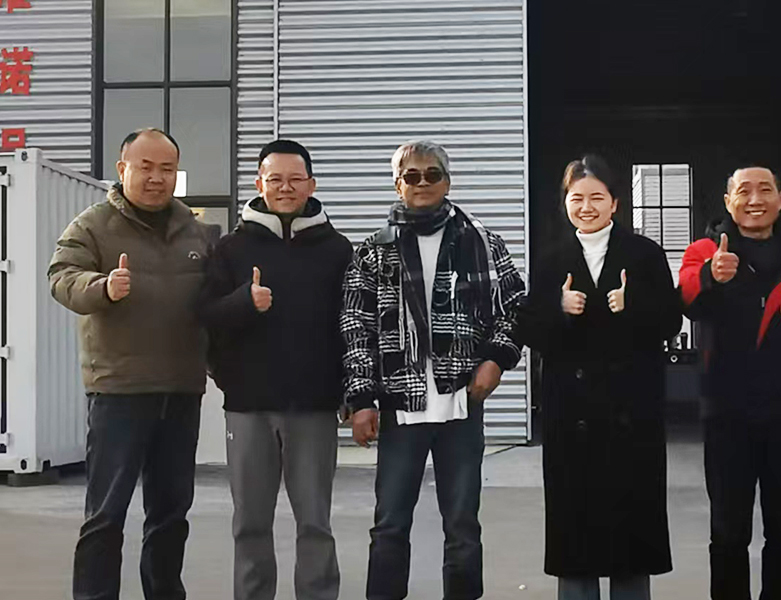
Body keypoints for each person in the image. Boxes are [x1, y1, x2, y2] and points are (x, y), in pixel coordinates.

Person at [341, 140, 525, 600]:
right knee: (389, 524)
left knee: (462, 525)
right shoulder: (374, 251)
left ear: (447, 181)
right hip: (400, 408)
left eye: (432, 174)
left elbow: (515, 308)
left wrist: (496, 359)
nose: (422, 183)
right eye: (412, 175)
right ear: (397, 184)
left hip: (461, 404)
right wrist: (361, 400)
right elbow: (356, 326)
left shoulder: (482, 242)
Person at [48, 128, 214, 600]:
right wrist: (102, 287)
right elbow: (61, 276)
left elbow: (216, 301)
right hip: (119, 391)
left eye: (167, 169)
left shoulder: (196, 230)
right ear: (122, 169)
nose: (156, 177)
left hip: (180, 390)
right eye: (146, 167)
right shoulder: (93, 225)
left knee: (171, 514)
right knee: (106, 514)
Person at [516, 154, 681, 600]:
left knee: (631, 533)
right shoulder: (552, 259)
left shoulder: (645, 254)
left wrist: (634, 306)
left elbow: (671, 321)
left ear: (615, 203)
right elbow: (527, 330)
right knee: (576, 532)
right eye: (577, 198)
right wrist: (558, 309)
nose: (586, 207)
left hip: (632, 414)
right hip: (572, 416)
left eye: (596, 197)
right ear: (565, 203)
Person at [200, 139, 350, 600]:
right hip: (249, 408)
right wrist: (243, 303)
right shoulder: (230, 248)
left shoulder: (337, 249)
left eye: (295, 179)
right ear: (259, 183)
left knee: (315, 522)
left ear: (312, 184)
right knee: (250, 522)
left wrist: (350, 392)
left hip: (315, 407)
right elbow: (206, 316)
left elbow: (352, 327)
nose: (285, 188)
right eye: (275, 179)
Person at [678, 166, 781, 600]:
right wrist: (711, 276)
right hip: (726, 414)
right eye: (743, 191)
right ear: (727, 201)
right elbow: (684, 299)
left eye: (765, 190)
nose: (754, 199)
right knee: (728, 530)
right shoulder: (705, 251)